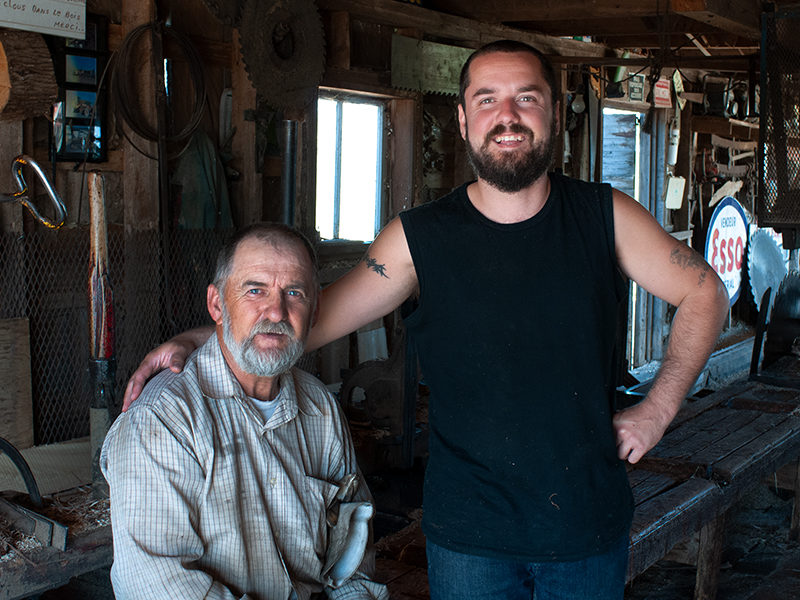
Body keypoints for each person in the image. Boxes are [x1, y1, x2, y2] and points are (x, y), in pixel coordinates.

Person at [122, 41, 729, 599]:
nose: (507, 115)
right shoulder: (417, 241)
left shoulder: (606, 217)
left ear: (550, 113)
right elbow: (307, 318)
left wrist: (658, 407)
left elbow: (705, 292)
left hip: (586, 525)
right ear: (463, 120)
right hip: (469, 536)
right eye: (487, 99)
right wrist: (196, 337)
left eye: (527, 98)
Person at [101, 223, 389, 600]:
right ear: (217, 304)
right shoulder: (164, 420)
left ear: (315, 309)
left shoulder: (319, 407)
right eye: (255, 290)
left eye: (294, 292)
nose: (276, 311)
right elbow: (157, 585)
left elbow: (352, 551)